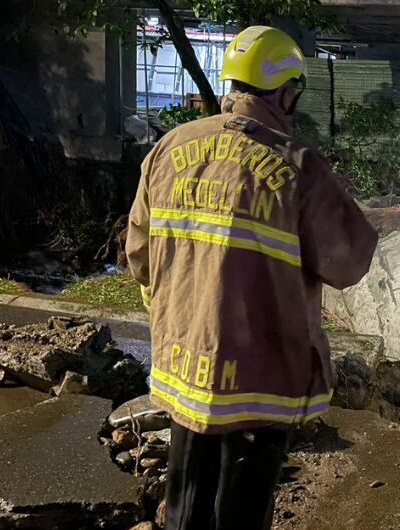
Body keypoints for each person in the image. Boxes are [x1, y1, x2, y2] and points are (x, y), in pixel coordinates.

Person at [125, 26, 378, 530]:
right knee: (242, 511)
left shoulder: (168, 149)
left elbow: (139, 256)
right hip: (262, 380)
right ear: (285, 91)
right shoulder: (300, 166)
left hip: (185, 370)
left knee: (185, 504)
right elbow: (349, 264)